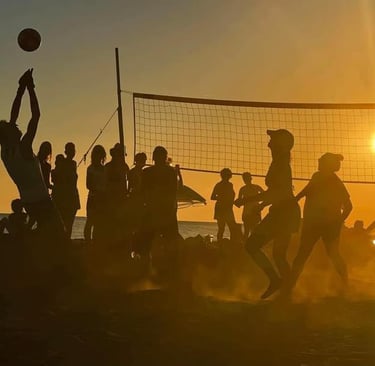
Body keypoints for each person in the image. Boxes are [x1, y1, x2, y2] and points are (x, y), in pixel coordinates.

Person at [0, 69, 66, 241]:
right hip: (42, 202)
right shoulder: (24, 147)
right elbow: (36, 115)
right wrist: (30, 88)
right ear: (8, 134)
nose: (16, 126)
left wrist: (20, 88)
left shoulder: (5, 152)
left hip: (28, 202)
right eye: (12, 127)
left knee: (42, 237)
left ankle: (12, 229)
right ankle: (11, 228)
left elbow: (13, 115)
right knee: (59, 237)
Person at [244, 129, 300, 299]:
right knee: (279, 255)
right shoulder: (278, 163)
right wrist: (262, 205)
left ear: (279, 144)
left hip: (284, 213)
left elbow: (277, 193)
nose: (268, 143)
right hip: (283, 211)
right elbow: (277, 192)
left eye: (272, 140)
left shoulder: (280, 165)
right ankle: (286, 291)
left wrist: (249, 200)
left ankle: (280, 284)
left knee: (252, 246)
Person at [289, 153, 352, 289]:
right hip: (317, 223)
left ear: (326, 164)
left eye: (321, 161)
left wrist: (338, 221)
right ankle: (289, 286)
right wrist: (296, 198)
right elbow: (307, 190)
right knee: (325, 254)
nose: (318, 162)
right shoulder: (321, 177)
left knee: (306, 254)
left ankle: (289, 287)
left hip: (319, 224)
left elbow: (349, 207)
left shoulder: (332, 181)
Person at [135, 146, 179, 258]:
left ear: (153, 157)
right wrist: (173, 209)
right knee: (170, 241)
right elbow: (174, 192)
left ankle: (145, 263)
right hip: (165, 211)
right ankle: (170, 265)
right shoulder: (171, 172)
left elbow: (142, 193)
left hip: (153, 211)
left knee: (146, 242)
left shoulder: (147, 172)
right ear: (165, 157)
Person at [105, 143, 129, 242]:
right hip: (111, 198)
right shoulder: (109, 166)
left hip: (121, 198)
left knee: (120, 222)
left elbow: (128, 180)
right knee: (111, 222)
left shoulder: (124, 166)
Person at [83, 145, 107, 243]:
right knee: (90, 221)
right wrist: (98, 190)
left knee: (99, 222)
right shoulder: (90, 169)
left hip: (102, 199)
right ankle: (88, 241)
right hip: (93, 198)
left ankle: (96, 241)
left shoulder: (105, 169)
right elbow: (88, 185)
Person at [211, 168, 237, 241]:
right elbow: (212, 197)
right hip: (223, 208)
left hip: (225, 208)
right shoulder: (222, 185)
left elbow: (231, 197)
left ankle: (226, 244)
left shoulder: (228, 185)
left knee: (226, 228)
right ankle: (222, 244)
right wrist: (222, 198)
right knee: (225, 228)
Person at [235, 172, 264, 239]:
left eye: (245, 179)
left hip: (252, 212)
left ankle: (249, 246)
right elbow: (265, 195)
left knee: (249, 231)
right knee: (250, 231)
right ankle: (249, 246)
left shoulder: (244, 189)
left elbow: (265, 195)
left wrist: (261, 205)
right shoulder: (253, 188)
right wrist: (261, 204)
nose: (245, 180)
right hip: (250, 212)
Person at [62, 142, 80, 238]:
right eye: (71, 150)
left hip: (72, 196)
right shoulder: (63, 163)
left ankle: (67, 239)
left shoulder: (74, 163)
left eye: (73, 150)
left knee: (70, 222)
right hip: (66, 197)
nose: (73, 152)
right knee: (66, 222)